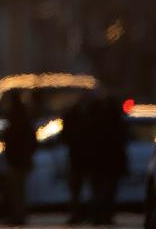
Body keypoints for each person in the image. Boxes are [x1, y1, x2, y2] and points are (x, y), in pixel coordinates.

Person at [87, 93, 127, 225]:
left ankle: (98, 216)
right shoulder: (115, 122)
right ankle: (104, 215)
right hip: (110, 162)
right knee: (107, 191)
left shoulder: (94, 122)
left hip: (98, 162)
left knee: (99, 190)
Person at [2, 91, 37, 225]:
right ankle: (20, 215)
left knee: (17, 191)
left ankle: (18, 216)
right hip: (22, 159)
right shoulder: (24, 117)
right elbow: (32, 141)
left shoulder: (14, 118)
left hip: (16, 160)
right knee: (20, 191)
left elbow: (12, 140)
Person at [62, 92, 94, 223]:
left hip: (77, 157)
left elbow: (65, 136)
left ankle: (79, 214)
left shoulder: (73, 115)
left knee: (77, 188)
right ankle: (89, 214)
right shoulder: (91, 114)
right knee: (84, 188)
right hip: (85, 157)